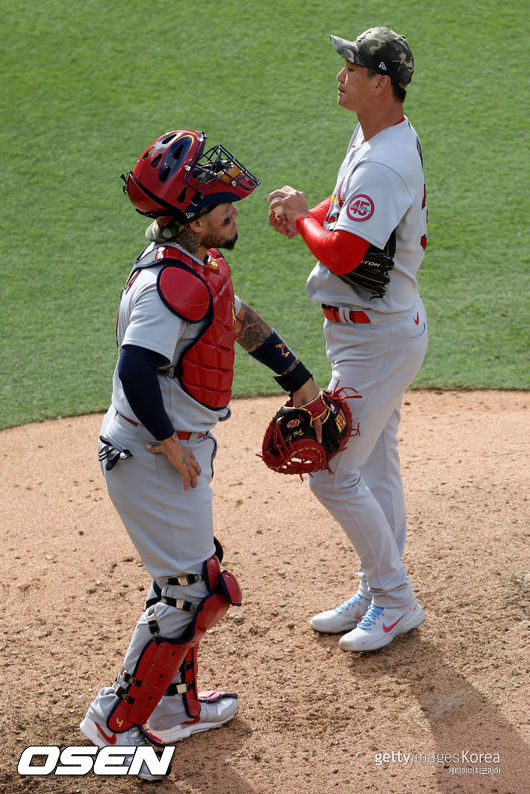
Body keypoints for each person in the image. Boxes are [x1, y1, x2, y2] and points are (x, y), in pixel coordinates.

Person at [80, 129, 320, 780]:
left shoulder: (199, 266)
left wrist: (298, 379)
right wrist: (167, 442)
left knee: (190, 580)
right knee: (195, 592)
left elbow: (235, 320)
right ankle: (114, 722)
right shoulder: (169, 284)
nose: (233, 208)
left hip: (173, 451)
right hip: (152, 454)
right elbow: (135, 368)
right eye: (221, 204)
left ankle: (171, 707)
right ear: (190, 218)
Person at [268, 27, 429, 653]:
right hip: (372, 332)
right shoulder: (377, 137)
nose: (341, 75)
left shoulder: (385, 161)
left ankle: (395, 598)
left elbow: (342, 252)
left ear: (380, 83)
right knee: (374, 463)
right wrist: (311, 216)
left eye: (352, 68)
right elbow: (345, 206)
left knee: (332, 470)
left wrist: (306, 219)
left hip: (377, 340)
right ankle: (377, 587)